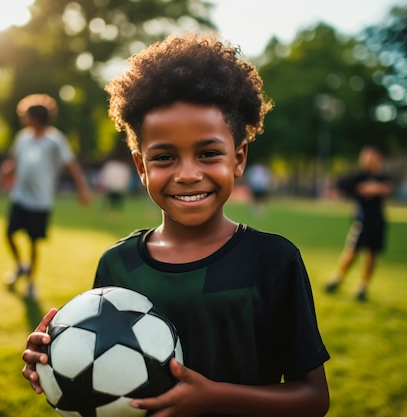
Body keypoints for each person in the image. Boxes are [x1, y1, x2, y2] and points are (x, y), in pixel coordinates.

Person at [22, 32, 330, 416]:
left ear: (238, 158)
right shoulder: (118, 264)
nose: (187, 174)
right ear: (141, 167)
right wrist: (60, 362)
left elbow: (314, 399)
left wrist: (212, 398)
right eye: (165, 157)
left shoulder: (273, 261)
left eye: (208, 153)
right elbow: (102, 379)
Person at [0, 94, 91, 298]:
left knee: (33, 242)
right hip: (19, 197)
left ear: (35, 117)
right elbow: (13, 163)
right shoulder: (22, 137)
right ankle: (19, 266)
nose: (24, 119)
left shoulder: (55, 139)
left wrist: (82, 189)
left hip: (41, 200)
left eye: (26, 115)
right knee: (9, 234)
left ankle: (31, 281)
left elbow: (72, 165)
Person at [325, 145, 392, 302]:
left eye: (371, 156)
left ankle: (363, 287)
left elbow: (387, 189)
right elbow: (342, 186)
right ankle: (337, 278)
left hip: (378, 221)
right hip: (361, 221)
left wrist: (376, 188)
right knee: (352, 251)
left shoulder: (383, 177)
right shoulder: (358, 176)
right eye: (366, 156)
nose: (368, 160)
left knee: (372, 255)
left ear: (378, 159)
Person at [98, 151, 133, 216]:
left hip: (114, 188)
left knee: (112, 203)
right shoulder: (121, 167)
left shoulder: (112, 165)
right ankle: (112, 215)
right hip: (115, 188)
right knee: (113, 203)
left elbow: (105, 176)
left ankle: (111, 215)